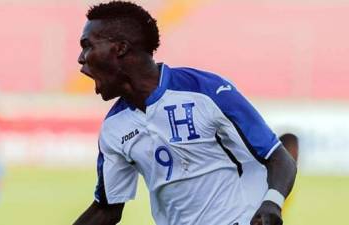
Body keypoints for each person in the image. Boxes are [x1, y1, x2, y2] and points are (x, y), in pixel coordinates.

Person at [74, 1, 297, 225]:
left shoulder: (207, 91)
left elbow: (278, 158)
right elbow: (106, 210)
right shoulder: (114, 128)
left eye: (88, 46)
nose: (81, 59)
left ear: (120, 48)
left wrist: (272, 202)